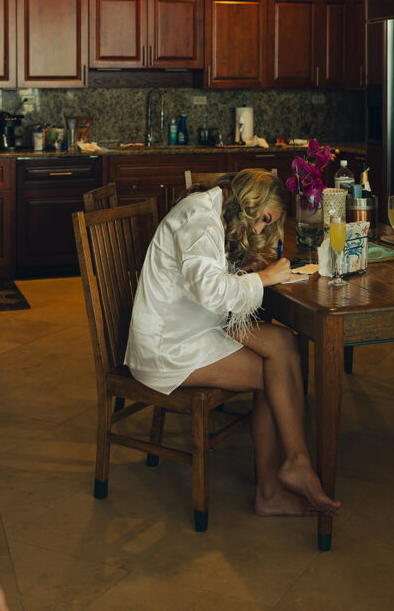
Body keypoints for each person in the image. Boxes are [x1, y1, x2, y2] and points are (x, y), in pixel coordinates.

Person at [125, 168, 340, 516]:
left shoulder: (211, 210)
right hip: (168, 343)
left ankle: (294, 466)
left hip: (191, 322)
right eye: (263, 219)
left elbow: (203, 274)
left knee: (283, 344)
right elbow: (208, 292)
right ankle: (279, 481)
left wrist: (240, 265)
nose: (258, 229)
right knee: (277, 377)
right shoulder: (199, 217)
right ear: (249, 202)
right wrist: (265, 276)